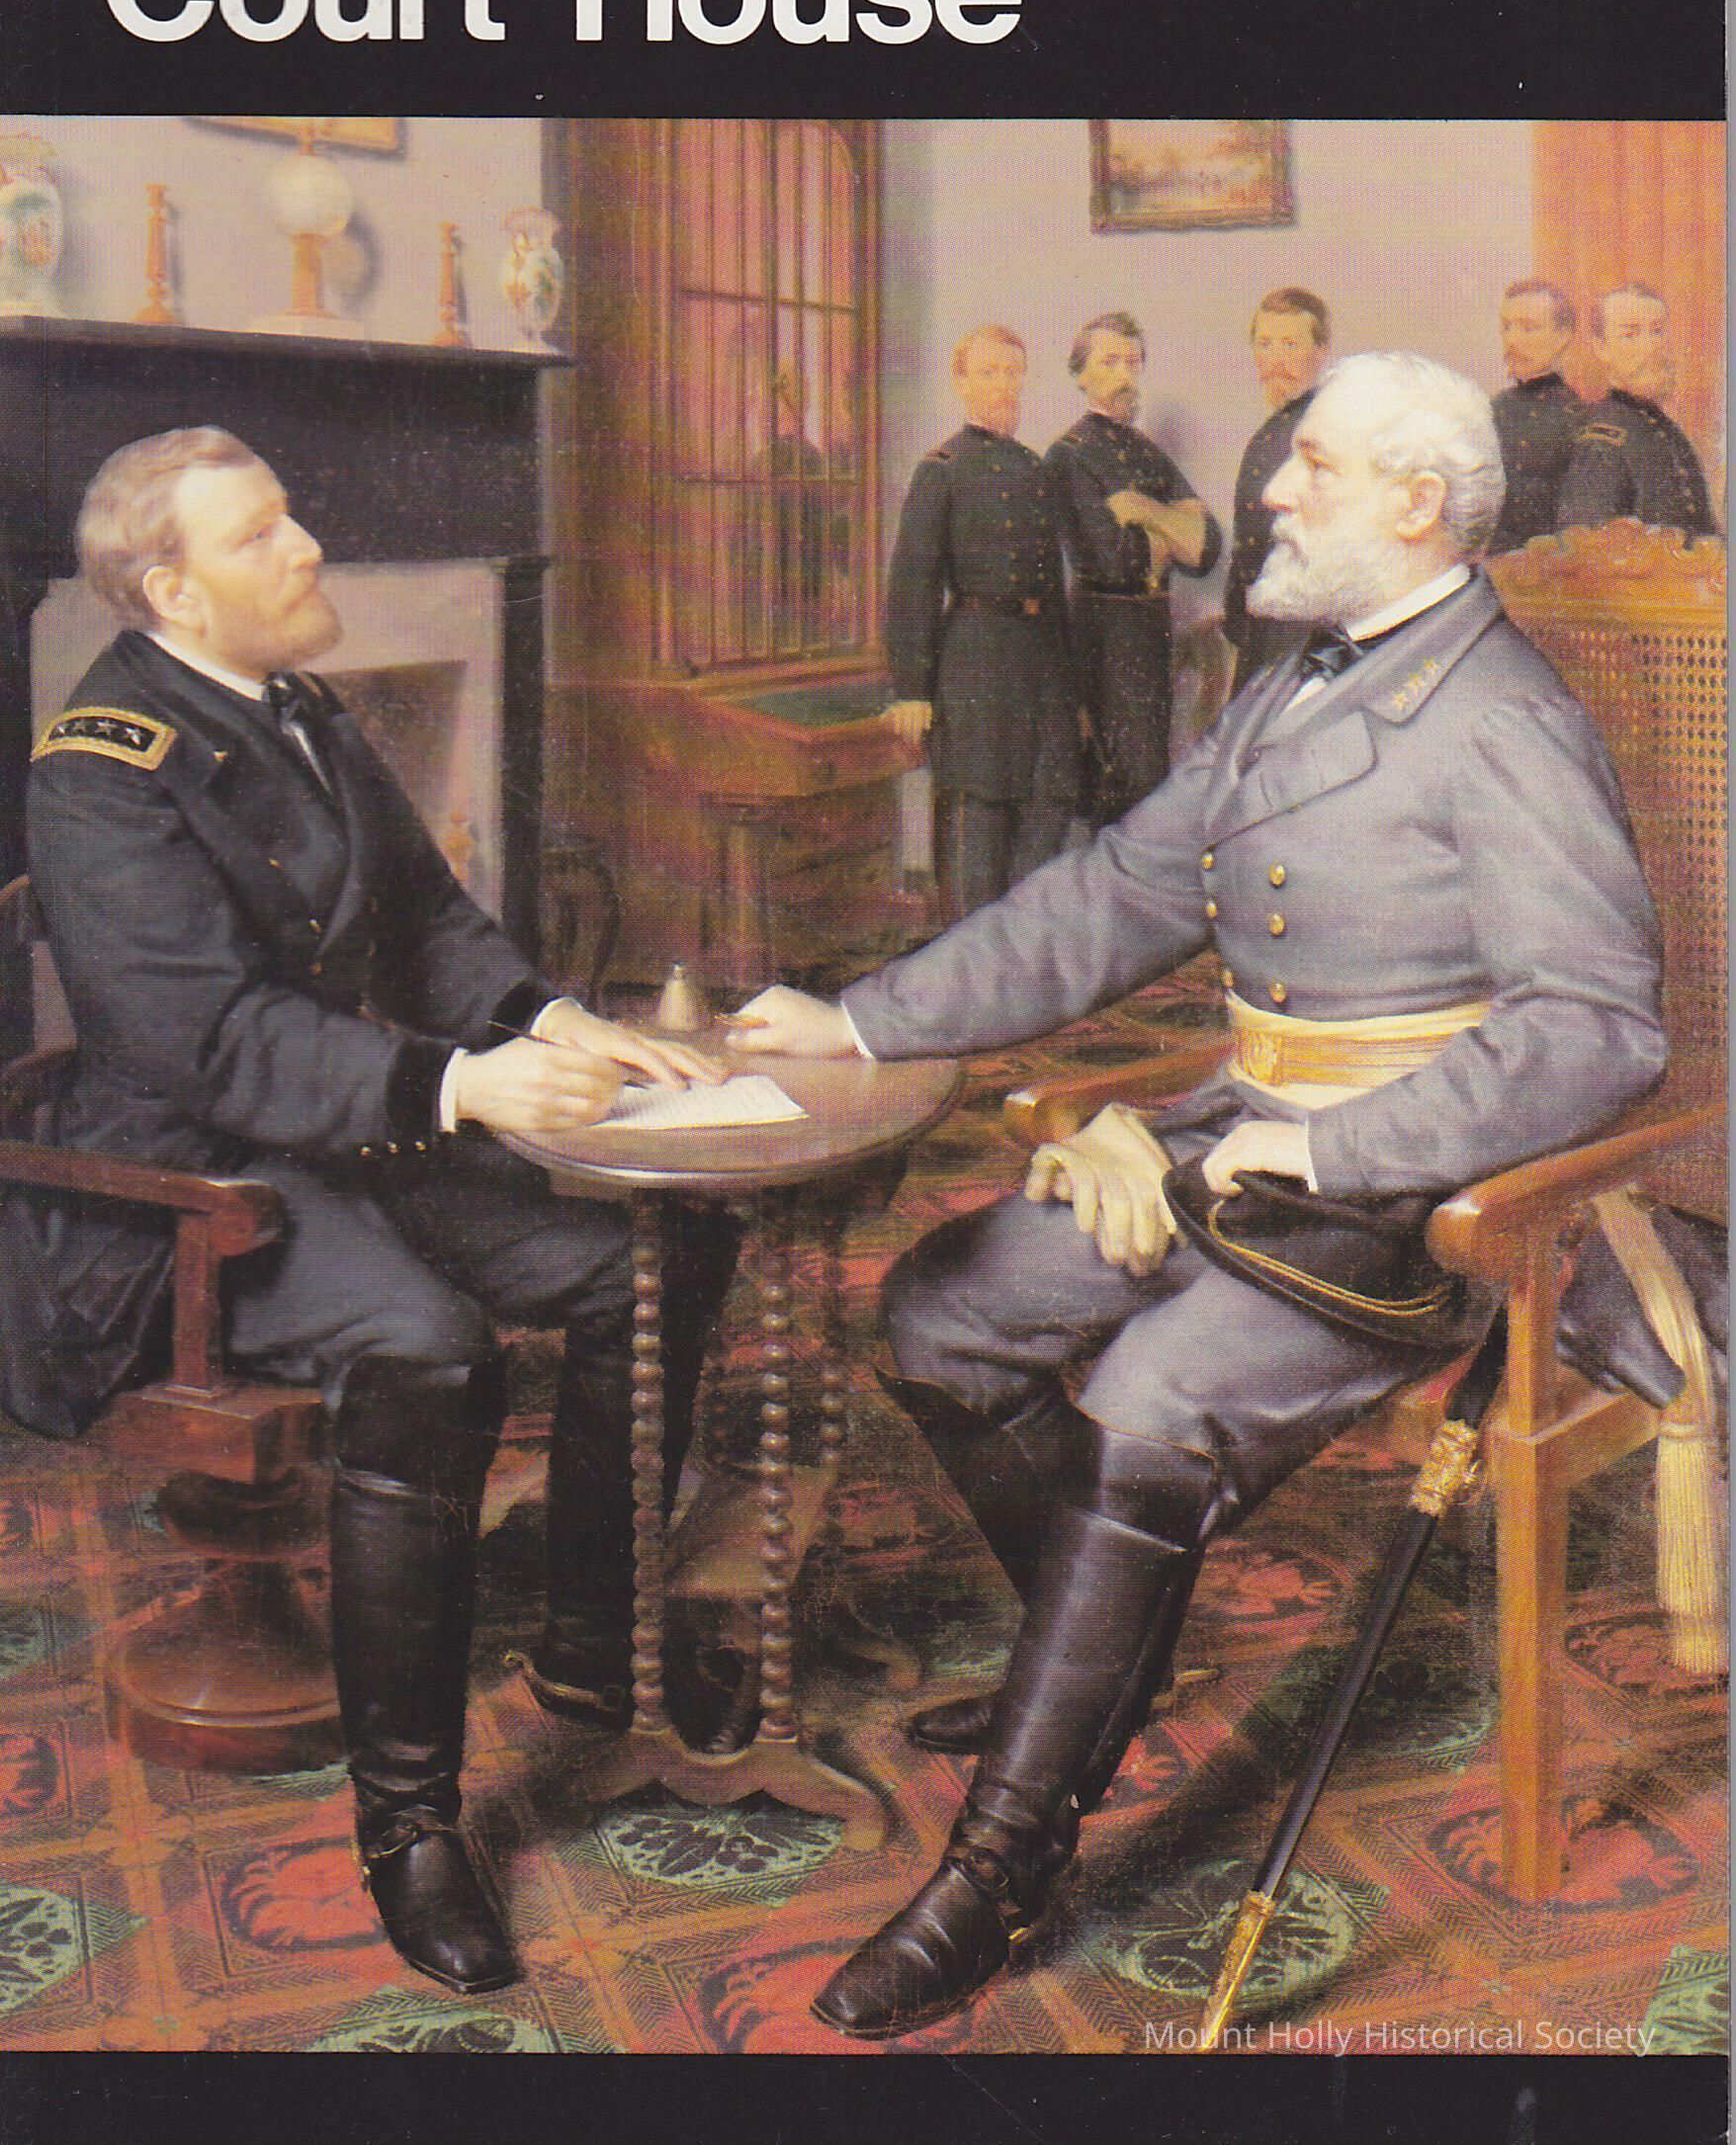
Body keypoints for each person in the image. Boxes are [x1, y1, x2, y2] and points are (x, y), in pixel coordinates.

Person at [729, 354, 1668, 2040]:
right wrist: (862, 1018)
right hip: (1236, 1139)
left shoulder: (1502, 719)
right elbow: (1113, 894)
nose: (1274, 492)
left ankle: (1000, 1866)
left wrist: (1336, 1151)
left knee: (1149, 1401)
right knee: (942, 1312)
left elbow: (1596, 1028)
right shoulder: (1297, 684)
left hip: (1415, 1204)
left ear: (1416, 503)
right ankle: (1098, 1659)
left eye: (1314, 467)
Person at [6, 429, 740, 1998]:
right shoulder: (99, 768)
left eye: (293, 517)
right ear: (171, 591)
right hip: (184, 1192)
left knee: (654, 1251)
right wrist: (462, 1086)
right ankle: (408, 1829)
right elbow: (203, 1047)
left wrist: (546, 1019)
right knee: (430, 1348)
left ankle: (592, 1654)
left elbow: (423, 918)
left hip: (346, 1135)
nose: (308, 550)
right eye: (262, 535)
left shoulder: (298, 704)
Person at [881, 326, 1084, 919]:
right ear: (961, 381)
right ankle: (972, 957)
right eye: (988, 373)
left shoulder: (1034, 468)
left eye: (1012, 373)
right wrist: (912, 689)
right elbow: (913, 584)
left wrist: (1071, 690)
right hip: (976, 663)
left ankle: (1024, 953)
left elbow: (1054, 588)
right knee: (979, 812)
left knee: (1049, 802)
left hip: (1041, 664)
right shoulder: (941, 471)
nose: (1002, 386)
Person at [1041, 312, 1221, 818]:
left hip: (1152, 634)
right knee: (1120, 787)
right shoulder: (1068, 455)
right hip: (1104, 637)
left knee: (1151, 783)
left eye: (1132, 362)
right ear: (1081, 375)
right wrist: (1174, 529)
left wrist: (1143, 511)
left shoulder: (1148, 453)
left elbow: (1207, 549)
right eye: (1109, 362)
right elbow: (1118, 561)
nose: (1124, 374)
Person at [1222, 288, 1331, 691]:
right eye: (1264, 344)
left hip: (1303, 634)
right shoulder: (1268, 433)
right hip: (1262, 631)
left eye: (1290, 344)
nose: (1275, 360)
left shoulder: (1327, 430)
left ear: (1321, 352)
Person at [1556, 284, 1720, 540]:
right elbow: (1587, 551)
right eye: (1630, 334)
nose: (1651, 346)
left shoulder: (1665, 427)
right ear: (1601, 348)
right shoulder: (1601, 439)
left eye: (1657, 331)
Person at [1487, 278, 1587, 554]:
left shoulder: (1578, 418)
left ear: (1563, 336)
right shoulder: (1493, 410)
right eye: (1507, 327)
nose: (1512, 340)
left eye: (1528, 328)